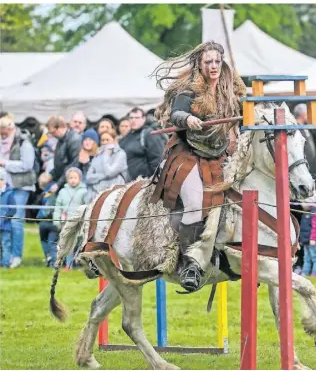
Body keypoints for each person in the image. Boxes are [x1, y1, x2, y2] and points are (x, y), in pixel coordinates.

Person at [151, 41, 246, 292]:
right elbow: (176, 115)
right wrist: (188, 118)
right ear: (200, 64)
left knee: (237, 200)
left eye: (217, 61)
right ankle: (190, 265)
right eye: (208, 62)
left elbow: (247, 113)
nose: (213, 66)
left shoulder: (232, 91)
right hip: (188, 154)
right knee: (195, 204)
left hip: (220, 156)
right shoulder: (188, 90)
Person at [0, 113, 36, 268]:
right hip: (5, 185)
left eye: (4, 130)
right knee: (4, 220)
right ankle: (5, 256)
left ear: (11, 128)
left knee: (16, 221)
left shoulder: (23, 141)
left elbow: (27, 165)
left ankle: (16, 256)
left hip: (21, 186)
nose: (2, 133)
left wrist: (6, 164)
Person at [53, 167, 87, 268]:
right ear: (67, 179)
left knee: (80, 244)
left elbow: (87, 206)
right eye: (71, 178)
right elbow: (57, 207)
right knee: (68, 244)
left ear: (80, 179)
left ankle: (81, 264)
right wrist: (56, 220)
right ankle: (68, 265)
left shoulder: (84, 191)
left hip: (80, 222)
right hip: (66, 222)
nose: (73, 180)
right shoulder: (62, 191)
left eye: (75, 177)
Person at [119, 107, 166, 180]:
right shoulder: (127, 136)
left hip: (144, 183)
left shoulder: (149, 134)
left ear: (143, 119)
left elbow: (157, 160)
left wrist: (152, 182)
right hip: (127, 184)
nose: (133, 120)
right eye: (131, 118)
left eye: (137, 118)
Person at [85, 129, 128, 203]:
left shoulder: (120, 154)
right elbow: (88, 178)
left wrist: (106, 155)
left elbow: (110, 173)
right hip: (97, 194)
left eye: (107, 140)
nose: (105, 142)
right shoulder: (98, 156)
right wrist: (102, 176)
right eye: (102, 140)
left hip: (115, 194)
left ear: (114, 140)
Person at [47, 115, 81, 194]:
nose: (52, 135)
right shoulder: (60, 140)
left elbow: (74, 165)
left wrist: (58, 184)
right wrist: (50, 175)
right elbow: (59, 165)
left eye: (53, 132)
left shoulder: (74, 139)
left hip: (70, 185)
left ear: (59, 128)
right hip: (61, 182)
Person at [295, 201, 316, 277]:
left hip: (314, 241)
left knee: (315, 258)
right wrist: (301, 240)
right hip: (306, 241)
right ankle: (305, 273)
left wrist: (313, 239)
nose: (302, 205)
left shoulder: (315, 213)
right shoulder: (305, 213)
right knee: (306, 258)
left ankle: (315, 274)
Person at [36, 172, 58, 267]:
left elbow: (38, 203)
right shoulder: (55, 190)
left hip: (44, 221)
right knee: (52, 242)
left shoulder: (45, 193)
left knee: (44, 240)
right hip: (53, 221)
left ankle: (49, 257)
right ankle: (53, 260)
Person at [0, 168, 16, 268]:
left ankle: (5, 263)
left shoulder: (9, 193)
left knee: (6, 244)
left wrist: (5, 217)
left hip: (5, 226)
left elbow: (13, 210)